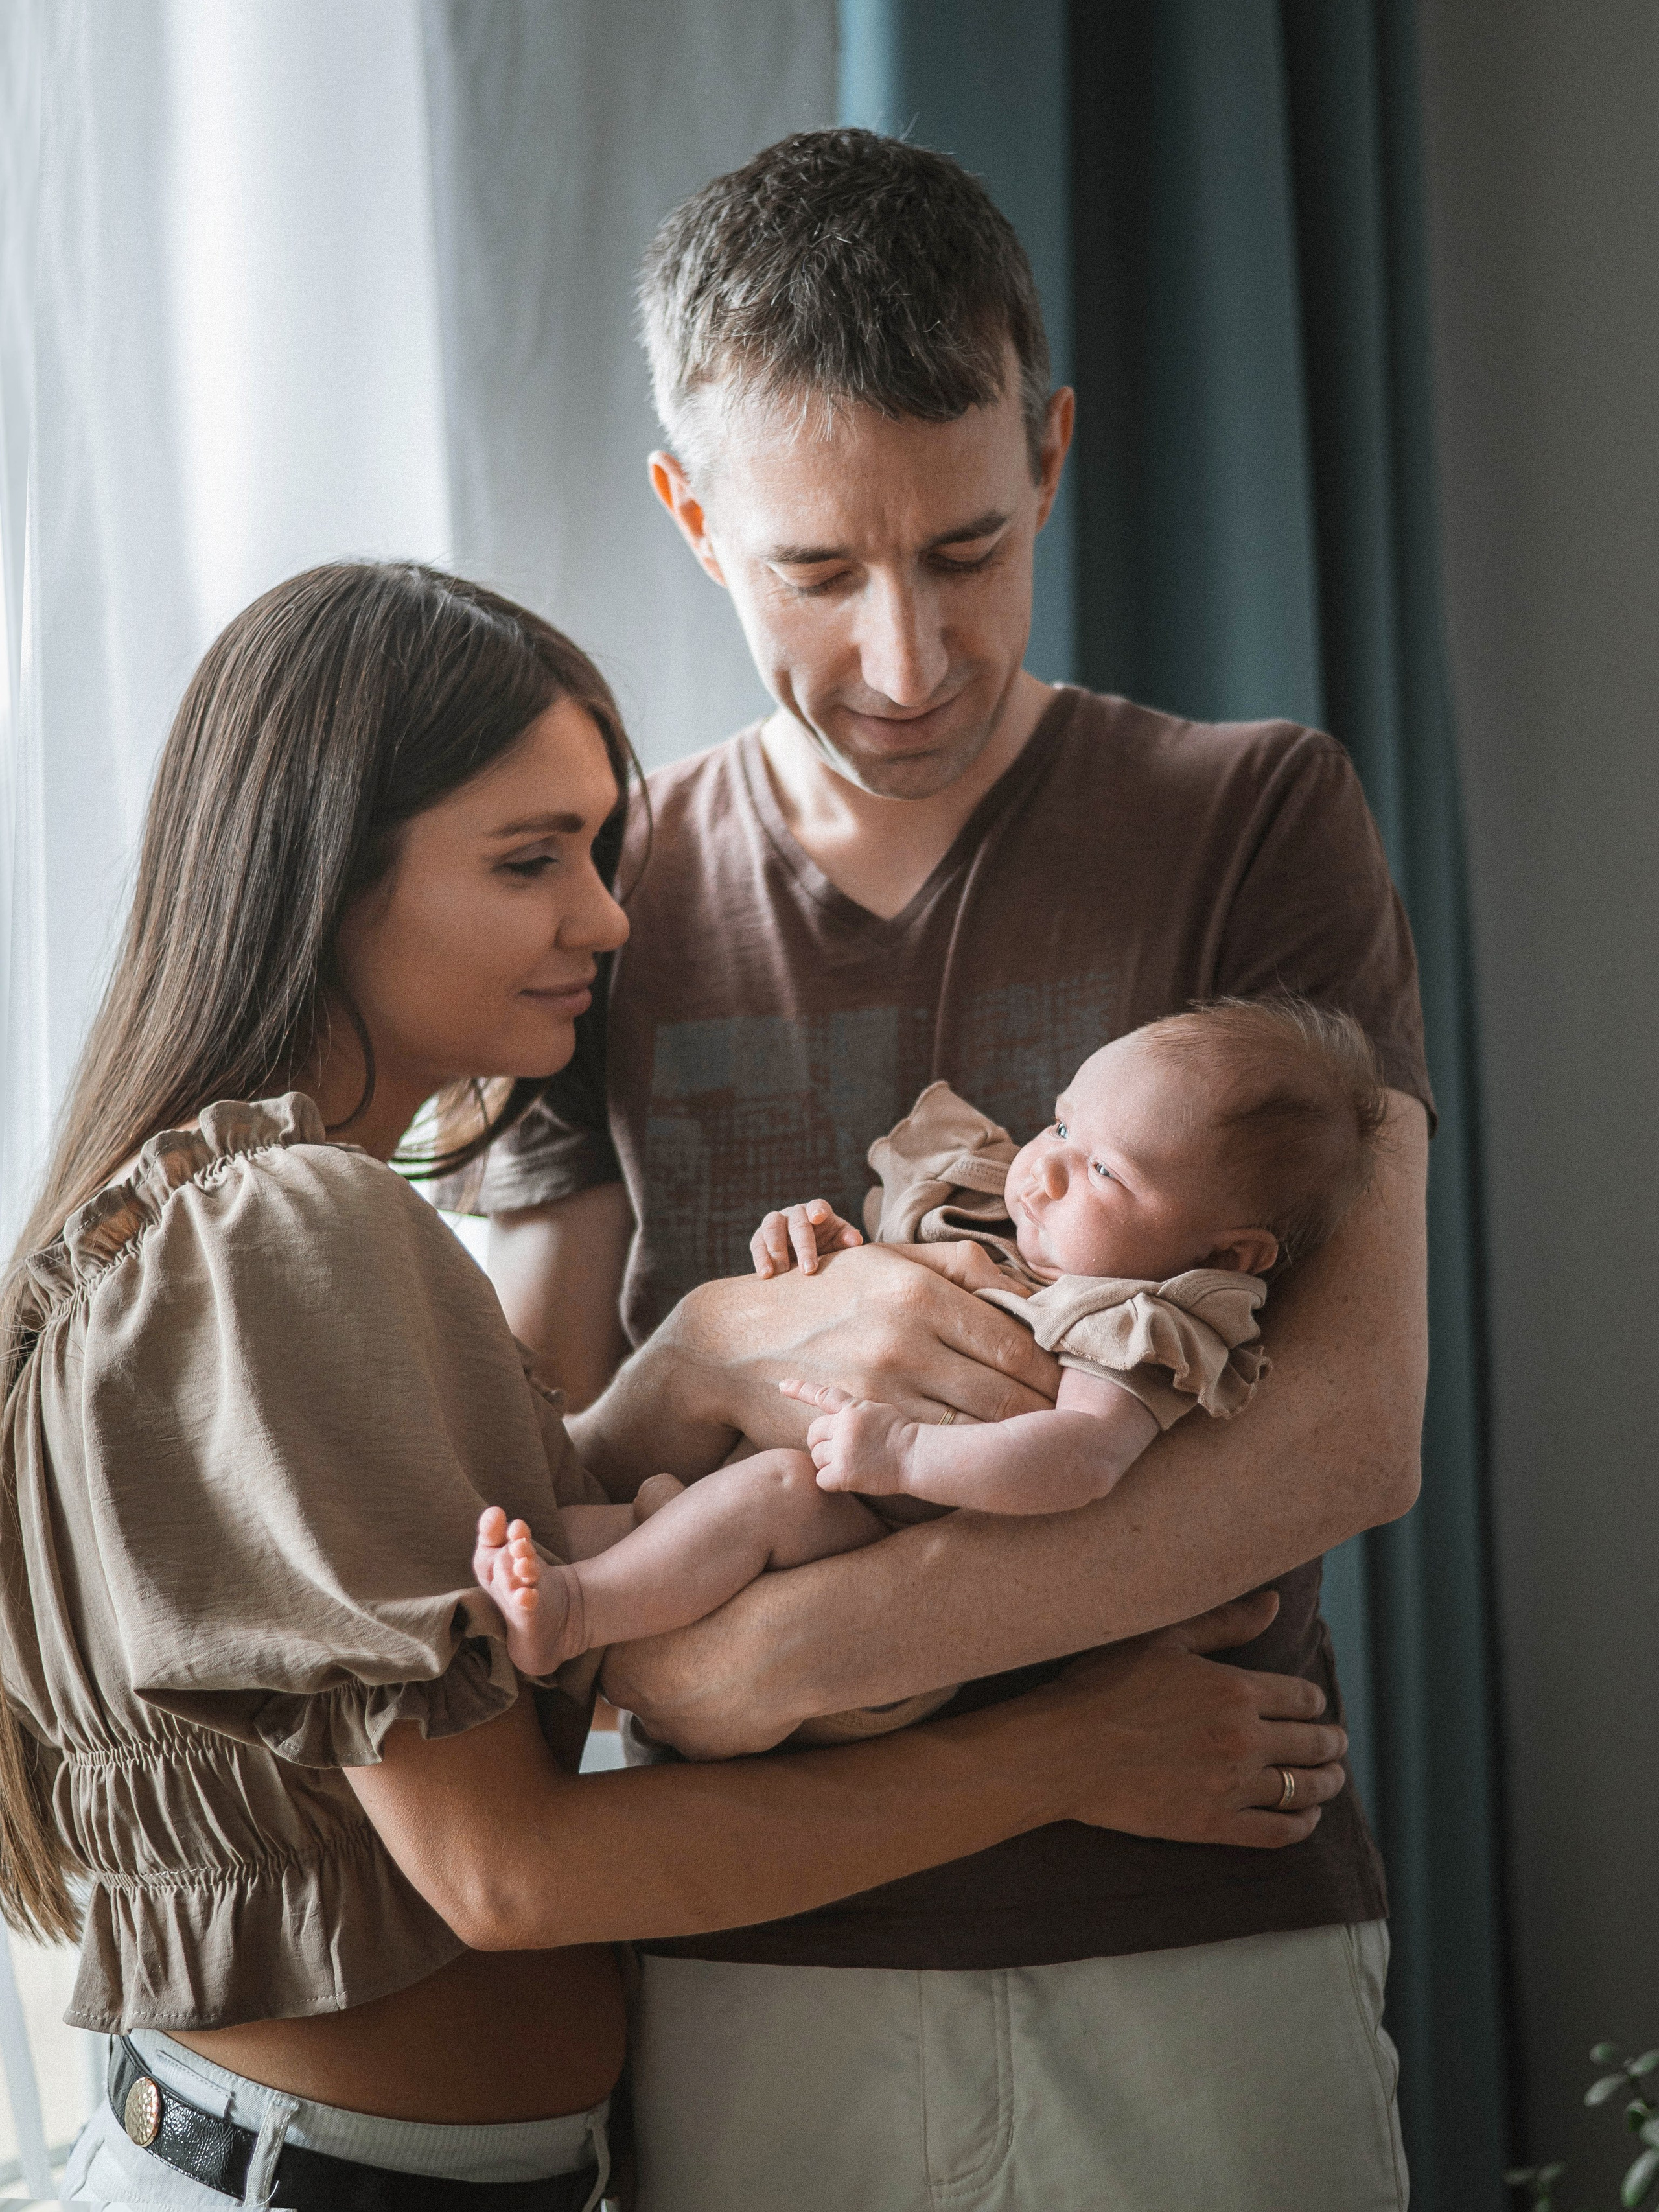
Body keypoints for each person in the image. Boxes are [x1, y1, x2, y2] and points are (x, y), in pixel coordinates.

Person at [0, 563, 1345, 2212]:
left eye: (597, 847)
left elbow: (476, 1603)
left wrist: (699, 1356)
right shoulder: (290, 1224)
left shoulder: (223, 1217)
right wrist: (1070, 1754)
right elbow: (504, 1872)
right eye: (528, 860)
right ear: (327, 876)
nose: (608, 920)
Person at [461, 129, 1430, 2210]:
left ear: (1056, 450)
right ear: (689, 510)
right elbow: (538, 1455)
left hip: (1206, 1916)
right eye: (815, 571)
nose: (906, 658)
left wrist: (779, 1659)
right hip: (751, 1963)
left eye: (969, 550)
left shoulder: (1259, 814)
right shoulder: (590, 890)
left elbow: (1346, 1434)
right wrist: (726, 1327)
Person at [473, 999, 1386, 1705]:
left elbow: (1083, 1459)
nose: (1048, 1166)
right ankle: (506, 1603)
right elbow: (856, 1295)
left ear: (1226, 1255)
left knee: (763, 1498)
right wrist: (816, 1242)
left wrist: (908, 1453)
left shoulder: (1139, 1325)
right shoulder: (994, 1210)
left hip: (867, 1542)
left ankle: (571, 1615)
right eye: (1064, 1124)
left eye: (1108, 1171)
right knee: (591, 1530)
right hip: (778, 1472)